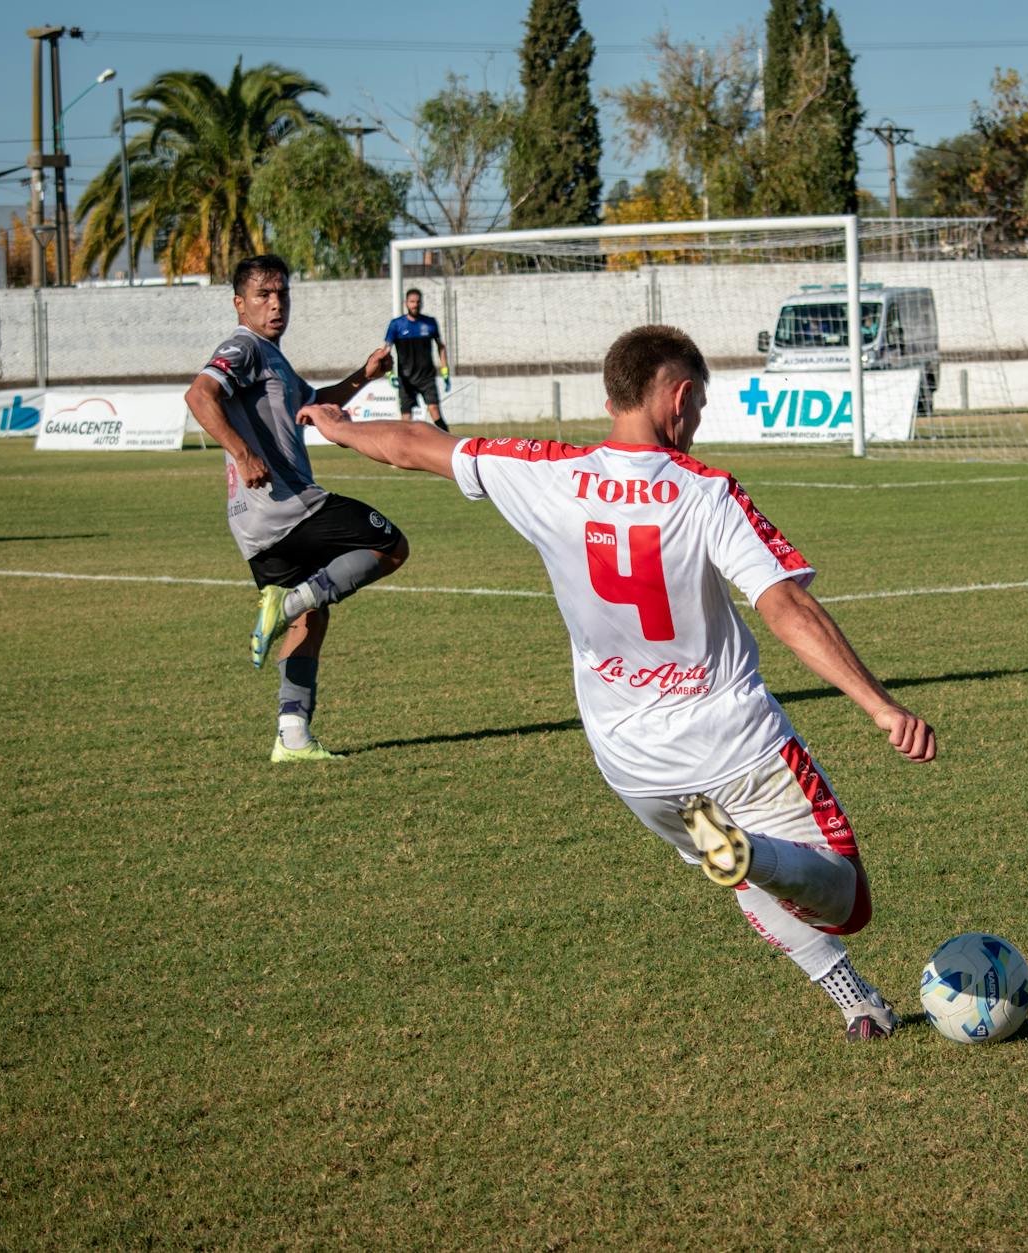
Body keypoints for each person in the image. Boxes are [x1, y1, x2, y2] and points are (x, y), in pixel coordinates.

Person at [297, 324, 937, 1041]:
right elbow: (783, 604)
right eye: (698, 408)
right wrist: (880, 705)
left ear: (612, 401)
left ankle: (855, 999)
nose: (696, 424)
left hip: (638, 771)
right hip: (736, 748)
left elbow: (415, 444)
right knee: (845, 899)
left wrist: (338, 428)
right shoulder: (706, 492)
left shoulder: (545, 471)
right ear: (680, 398)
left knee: (737, 862)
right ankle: (757, 854)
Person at [183, 254, 410, 763]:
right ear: (239, 303)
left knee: (313, 613)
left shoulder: (272, 358)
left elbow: (313, 404)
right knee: (391, 545)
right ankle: (282, 605)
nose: (275, 304)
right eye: (263, 295)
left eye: (282, 293)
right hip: (287, 507)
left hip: (254, 525)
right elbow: (199, 396)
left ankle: (293, 736)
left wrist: (364, 375)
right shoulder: (243, 346)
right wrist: (243, 454)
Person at [385, 288, 452, 428]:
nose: (415, 305)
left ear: (421, 303)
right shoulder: (396, 324)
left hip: (427, 378)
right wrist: (389, 373)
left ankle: (448, 441)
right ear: (406, 303)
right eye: (412, 302)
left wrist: (445, 371)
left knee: (434, 410)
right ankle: (405, 444)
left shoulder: (430, 323)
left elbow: (441, 347)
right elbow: (386, 351)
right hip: (406, 379)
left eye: (418, 302)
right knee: (406, 418)